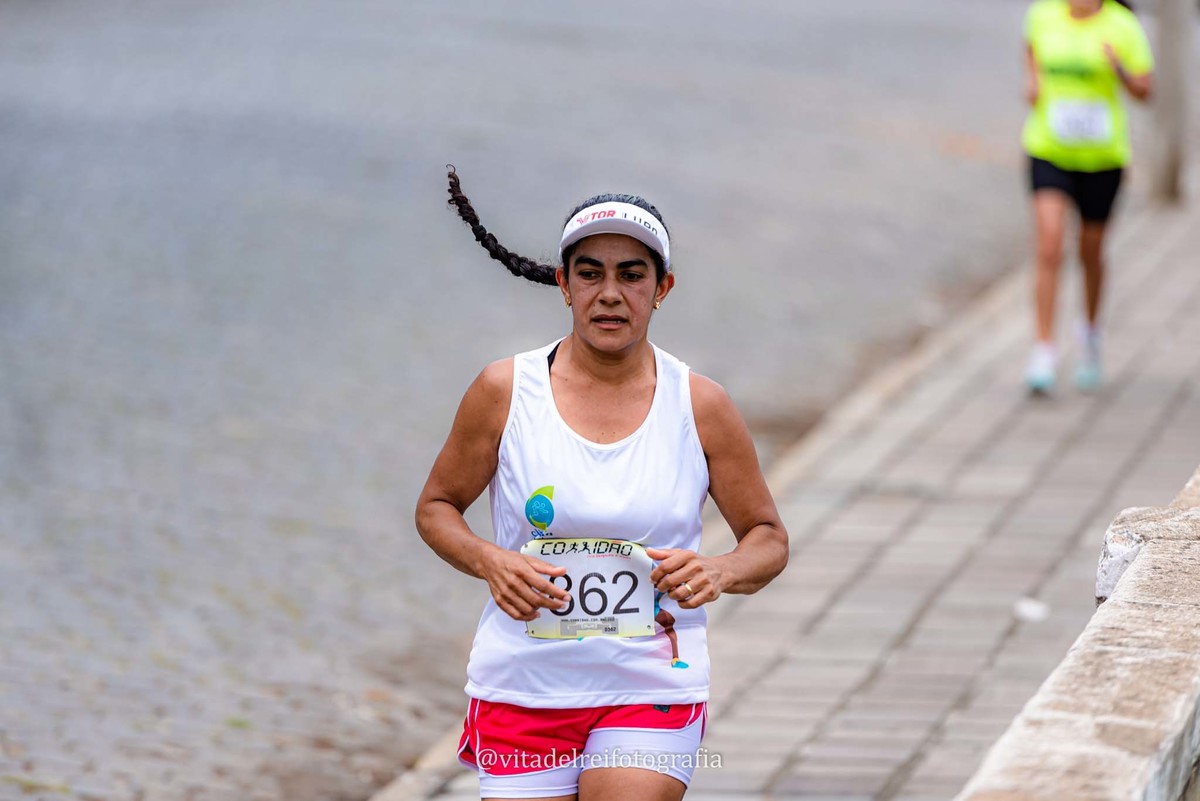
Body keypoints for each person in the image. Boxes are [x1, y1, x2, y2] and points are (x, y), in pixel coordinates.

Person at [415, 167, 789, 801]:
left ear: (662, 288)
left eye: (631, 275)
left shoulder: (700, 405)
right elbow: (436, 507)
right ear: (564, 284)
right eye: (590, 274)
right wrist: (490, 561)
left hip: (652, 684)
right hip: (524, 684)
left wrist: (721, 570)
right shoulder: (505, 391)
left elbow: (768, 536)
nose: (610, 294)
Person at [1021, 0, 1154, 394]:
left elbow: (1145, 91)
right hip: (1049, 149)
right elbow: (1030, 48)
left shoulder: (1122, 25)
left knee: (1090, 251)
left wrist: (1120, 71)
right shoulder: (1043, 15)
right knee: (1049, 244)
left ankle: (1090, 335)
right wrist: (1033, 80)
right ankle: (1044, 350)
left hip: (1102, 158)